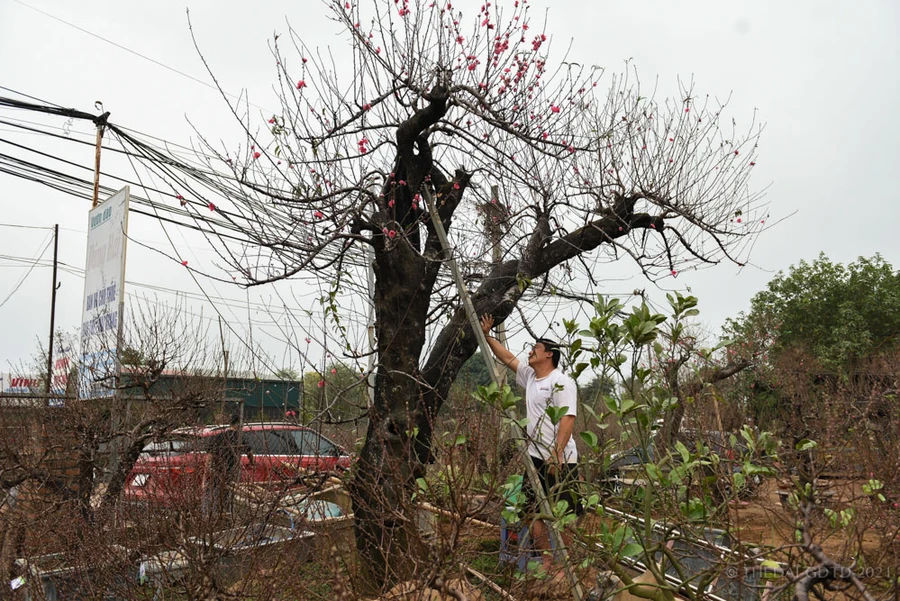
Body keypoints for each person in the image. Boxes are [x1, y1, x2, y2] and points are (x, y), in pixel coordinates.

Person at [480, 314, 582, 573]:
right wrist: (488, 335)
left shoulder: (560, 381)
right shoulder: (530, 377)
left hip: (560, 458)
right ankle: (549, 560)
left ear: (549, 355)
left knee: (564, 514)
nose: (531, 351)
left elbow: (568, 419)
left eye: (536, 348)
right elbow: (507, 358)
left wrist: (556, 454)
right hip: (535, 457)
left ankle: (566, 563)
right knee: (530, 510)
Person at [203, 415, 254, 518]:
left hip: (217, 469)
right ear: (239, 425)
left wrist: (207, 471)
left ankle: (212, 514)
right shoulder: (239, 438)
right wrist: (252, 462)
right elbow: (250, 452)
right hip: (231, 469)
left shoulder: (219, 436)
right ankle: (227, 513)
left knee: (215, 492)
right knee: (230, 493)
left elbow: (210, 455)